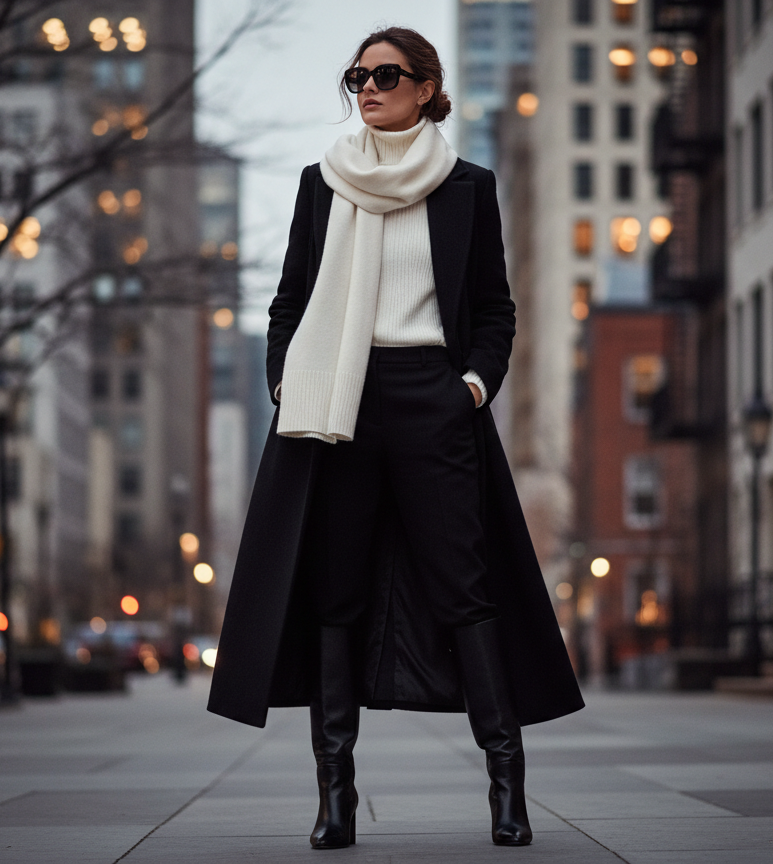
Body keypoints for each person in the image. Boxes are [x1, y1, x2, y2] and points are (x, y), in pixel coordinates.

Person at [207, 26, 583, 849]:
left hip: (431, 398)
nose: (368, 89)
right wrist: (286, 381)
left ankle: (507, 786)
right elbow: (288, 301)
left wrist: (471, 387)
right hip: (337, 400)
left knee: (465, 588)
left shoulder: (468, 187)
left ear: (426, 88)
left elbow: (494, 308)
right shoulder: (321, 184)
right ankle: (335, 796)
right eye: (357, 77)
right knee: (335, 596)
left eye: (385, 75)